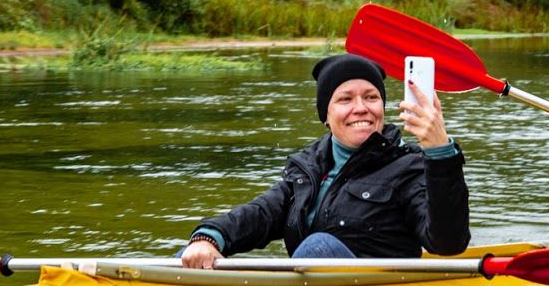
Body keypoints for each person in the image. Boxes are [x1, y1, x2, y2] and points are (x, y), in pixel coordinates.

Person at [179, 53, 470, 267]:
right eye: (345, 100)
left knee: (320, 247)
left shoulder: (410, 165)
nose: (361, 108)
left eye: (371, 97)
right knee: (189, 256)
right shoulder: (307, 169)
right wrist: (209, 237)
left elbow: (448, 243)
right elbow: (261, 213)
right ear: (326, 116)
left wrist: (440, 153)